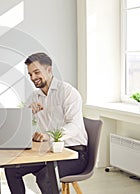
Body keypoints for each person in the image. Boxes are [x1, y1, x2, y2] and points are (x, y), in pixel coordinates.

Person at [5, 52, 88, 194]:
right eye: (30, 74)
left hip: (73, 153)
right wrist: (27, 115)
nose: (33, 78)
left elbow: (74, 126)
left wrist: (49, 136)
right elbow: (20, 129)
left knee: (45, 176)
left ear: (49, 70)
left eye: (36, 72)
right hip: (48, 153)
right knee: (11, 169)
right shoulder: (34, 97)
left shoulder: (67, 92)